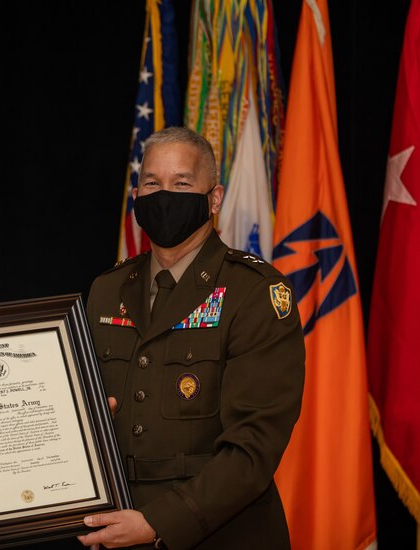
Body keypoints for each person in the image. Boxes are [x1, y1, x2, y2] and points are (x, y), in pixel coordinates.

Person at [77, 126, 305, 549]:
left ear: (214, 199)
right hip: (114, 529)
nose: (165, 195)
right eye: (152, 183)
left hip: (222, 533)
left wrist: (159, 522)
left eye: (182, 183)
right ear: (137, 196)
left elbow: (253, 446)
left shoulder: (254, 292)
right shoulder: (107, 289)